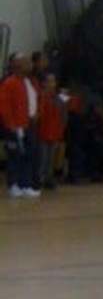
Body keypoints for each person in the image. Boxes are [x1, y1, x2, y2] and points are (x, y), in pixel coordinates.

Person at [0, 53, 41, 197]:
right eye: (27, 62)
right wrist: (10, 124)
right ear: (18, 65)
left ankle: (25, 184)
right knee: (15, 155)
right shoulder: (9, 83)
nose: (30, 65)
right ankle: (13, 185)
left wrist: (35, 113)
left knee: (29, 155)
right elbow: (4, 106)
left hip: (28, 124)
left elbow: (33, 100)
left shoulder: (29, 82)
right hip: (15, 126)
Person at [37, 72, 67, 189]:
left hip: (54, 132)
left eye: (53, 81)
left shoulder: (59, 97)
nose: (52, 84)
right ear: (44, 83)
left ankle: (48, 179)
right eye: (49, 81)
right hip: (42, 132)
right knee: (42, 158)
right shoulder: (40, 96)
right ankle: (39, 179)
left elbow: (65, 113)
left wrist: (62, 128)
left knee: (50, 159)